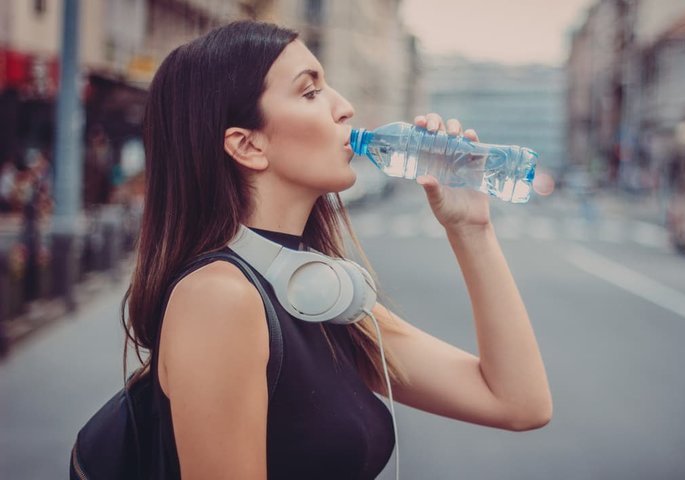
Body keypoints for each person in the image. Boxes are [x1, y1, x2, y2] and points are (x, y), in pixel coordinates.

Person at [123, 21, 551, 479]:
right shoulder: (219, 298)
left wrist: (471, 227)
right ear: (248, 145)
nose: (345, 107)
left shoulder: (316, 290)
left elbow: (517, 402)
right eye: (310, 93)